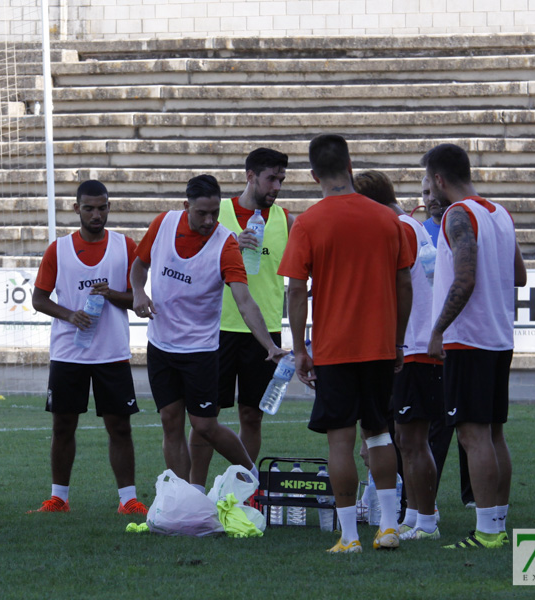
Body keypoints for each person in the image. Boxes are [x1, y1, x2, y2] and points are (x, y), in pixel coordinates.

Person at [279, 135, 411, 554]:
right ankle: (388, 526)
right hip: (378, 345)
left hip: (334, 347)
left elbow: (296, 290)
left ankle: (350, 535)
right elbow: (404, 282)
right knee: (378, 434)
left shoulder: (308, 222)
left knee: (340, 440)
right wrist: (398, 340)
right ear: (351, 165)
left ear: (314, 174)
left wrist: (300, 347)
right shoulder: (388, 219)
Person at [131, 174, 285, 485]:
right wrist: (138, 292)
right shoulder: (163, 224)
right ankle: (183, 497)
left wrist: (269, 345)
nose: (209, 219)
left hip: (200, 350)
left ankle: (254, 477)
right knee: (170, 422)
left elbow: (245, 301)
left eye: (214, 212)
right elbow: (139, 265)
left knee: (204, 426)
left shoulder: (226, 243)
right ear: (185, 206)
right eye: (202, 212)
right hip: (160, 345)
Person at [423, 143, 526, 550]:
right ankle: (496, 523)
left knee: (472, 436)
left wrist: (437, 330)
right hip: (499, 336)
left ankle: (487, 532)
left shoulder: (459, 214)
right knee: (493, 433)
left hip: (470, 339)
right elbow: (518, 274)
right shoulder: (499, 213)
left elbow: (463, 280)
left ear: (439, 180)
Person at [25, 180, 146, 515]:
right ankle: (58, 498)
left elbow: (138, 298)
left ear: (109, 207)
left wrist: (111, 295)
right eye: (89, 208)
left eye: (102, 207)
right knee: (63, 426)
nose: (97, 214)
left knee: (120, 427)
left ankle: (129, 500)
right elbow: (38, 299)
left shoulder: (126, 246)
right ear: (76, 209)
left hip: (112, 351)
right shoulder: (58, 249)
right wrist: (70, 315)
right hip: (69, 353)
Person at [189, 148, 293, 488]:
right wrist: (228, 243)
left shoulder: (285, 219)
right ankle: (195, 488)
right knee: (206, 417)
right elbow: (188, 259)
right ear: (250, 176)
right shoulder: (215, 214)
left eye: (281, 179)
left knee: (252, 415)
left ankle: (245, 489)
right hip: (217, 330)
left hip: (265, 334)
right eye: (271, 179)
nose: (276, 186)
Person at [354, 170, 441, 541]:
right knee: (406, 439)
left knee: (413, 439)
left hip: (415, 346)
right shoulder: (409, 225)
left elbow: (395, 287)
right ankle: (413, 515)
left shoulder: (398, 228)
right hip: (416, 342)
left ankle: (427, 520)